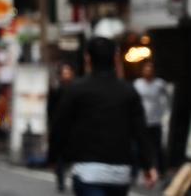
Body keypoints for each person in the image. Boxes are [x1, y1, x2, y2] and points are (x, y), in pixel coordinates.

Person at [51, 37, 157, 196]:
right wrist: (148, 165)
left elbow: (60, 126)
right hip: (120, 173)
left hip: (87, 171)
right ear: (115, 59)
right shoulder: (128, 91)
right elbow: (140, 131)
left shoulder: (76, 90)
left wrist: (54, 156)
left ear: (88, 59)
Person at [133, 61, 171, 178]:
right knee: (139, 147)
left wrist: (164, 113)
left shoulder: (160, 84)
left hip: (155, 120)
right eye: (146, 69)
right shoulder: (137, 84)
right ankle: (139, 171)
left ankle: (161, 170)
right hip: (142, 120)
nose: (148, 71)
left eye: (150, 69)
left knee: (158, 147)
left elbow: (168, 98)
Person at [48, 63, 77, 193]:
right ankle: (60, 181)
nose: (66, 75)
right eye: (64, 72)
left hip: (73, 128)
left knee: (72, 156)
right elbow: (50, 109)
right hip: (59, 127)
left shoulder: (77, 89)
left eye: (68, 72)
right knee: (59, 156)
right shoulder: (56, 89)